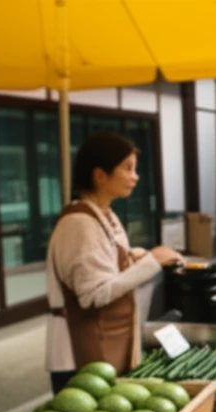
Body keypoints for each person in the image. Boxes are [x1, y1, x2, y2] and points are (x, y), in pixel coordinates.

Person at [45, 132, 183, 393]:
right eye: (128, 168)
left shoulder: (104, 214)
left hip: (106, 345)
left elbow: (106, 262)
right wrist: (151, 262)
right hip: (78, 353)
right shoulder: (79, 224)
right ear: (100, 175)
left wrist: (134, 256)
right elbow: (93, 294)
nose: (136, 177)